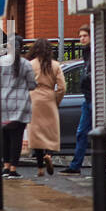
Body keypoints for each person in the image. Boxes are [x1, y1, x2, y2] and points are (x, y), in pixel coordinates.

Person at [26, 38, 65, 175]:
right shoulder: (55, 65)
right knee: (51, 131)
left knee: (36, 133)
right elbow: (62, 87)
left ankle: (40, 167)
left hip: (34, 98)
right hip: (49, 98)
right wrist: (56, 100)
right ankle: (49, 154)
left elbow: (25, 84)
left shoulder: (30, 64)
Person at [0, 39, 34, 178]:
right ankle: (13, 169)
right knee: (16, 138)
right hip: (20, 104)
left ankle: (5, 167)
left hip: (3, 103)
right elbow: (32, 84)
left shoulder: (1, 61)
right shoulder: (26, 63)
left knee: (4, 137)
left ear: (8, 46)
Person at [61, 25, 93, 175]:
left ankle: (77, 165)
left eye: (84, 36)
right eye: (80, 36)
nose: (81, 39)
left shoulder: (93, 53)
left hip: (94, 99)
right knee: (81, 132)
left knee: (93, 133)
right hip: (87, 100)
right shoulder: (86, 54)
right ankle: (75, 165)